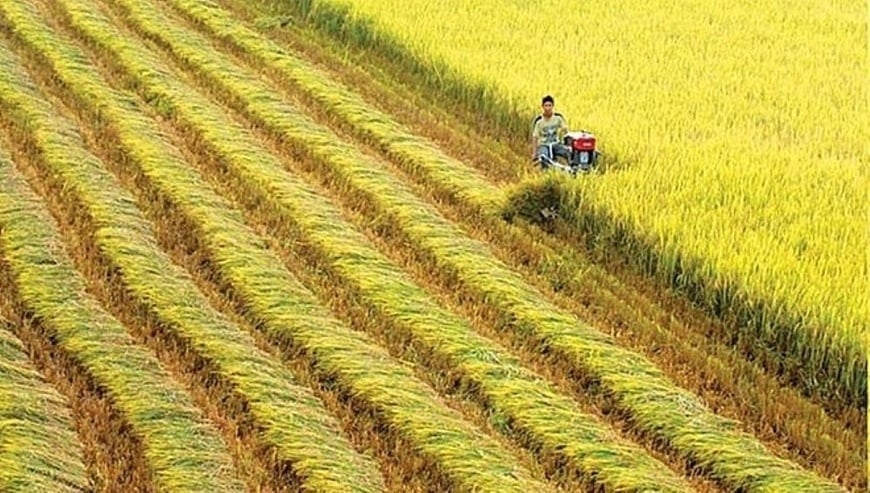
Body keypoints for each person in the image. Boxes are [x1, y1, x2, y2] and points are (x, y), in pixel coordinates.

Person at [530, 94, 570, 164]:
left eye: (549, 105)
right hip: (544, 145)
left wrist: (567, 143)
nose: (548, 108)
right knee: (543, 158)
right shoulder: (539, 121)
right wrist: (534, 152)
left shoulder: (558, 118)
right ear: (542, 106)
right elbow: (535, 137)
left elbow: (565, 130)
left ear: (553, 106)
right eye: (546, 106)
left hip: (556, 144)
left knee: (569, 153)